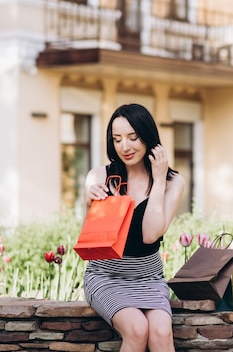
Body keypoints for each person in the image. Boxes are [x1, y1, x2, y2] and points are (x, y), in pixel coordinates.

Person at [83, 103, 185, 352]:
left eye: (133, 137)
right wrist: (89, 203)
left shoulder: (173, 182)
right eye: (117, 140)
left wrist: (159, 179)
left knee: (161, 333)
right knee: (137, 330)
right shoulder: (100, 177)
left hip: (149, 279)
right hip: (106, 277)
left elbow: (150, 235)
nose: (125, 147)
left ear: (148, 137)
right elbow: (91, 240)